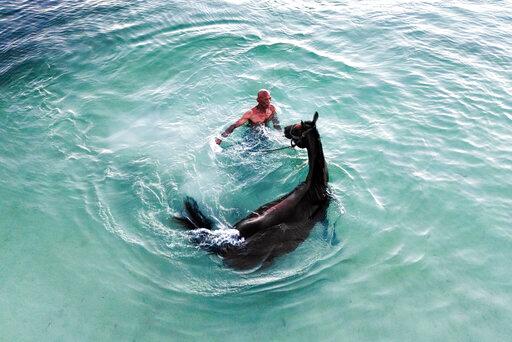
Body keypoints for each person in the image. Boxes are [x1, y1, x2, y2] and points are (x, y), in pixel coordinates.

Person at [215, 89, 281, 145]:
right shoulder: (251, 113)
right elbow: (233, 126)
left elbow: (276, 123)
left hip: (266, 133)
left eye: (269, 99)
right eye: (265, 100)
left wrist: (280, 135)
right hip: (251, 136)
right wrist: (220, 138)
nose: (268, 102)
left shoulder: (272, 108)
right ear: (258, 100)